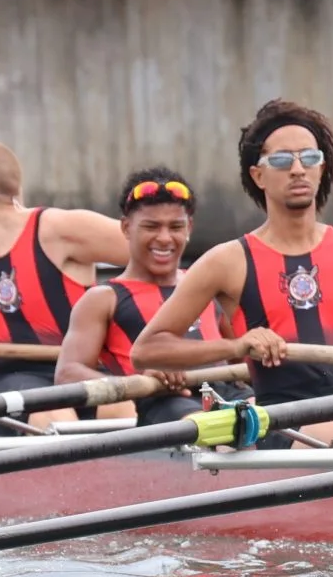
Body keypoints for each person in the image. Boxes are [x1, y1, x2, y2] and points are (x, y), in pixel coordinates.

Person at [136, 99, 333, 446]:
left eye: (309, 158)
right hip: (281, 412)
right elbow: (146, 350)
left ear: (322, 168)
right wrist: (237, 344)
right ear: (258, 175)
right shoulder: (227, 260)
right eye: (282, 160)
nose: (298, 169)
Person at [0, 139, 129, 420]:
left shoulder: (58, 230)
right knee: (55, 413)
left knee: (122, 409)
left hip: (86, 368)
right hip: (15, 380)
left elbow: (156, 253)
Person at [55, 168, 224, 425]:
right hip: (159, 402)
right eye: (151, 226)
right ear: (126, 227)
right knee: (215, 429)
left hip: (227, 393)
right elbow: (67, 374)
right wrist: (135, 382)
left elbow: (241, 355)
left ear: (188, 227)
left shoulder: (208, 285)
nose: (165, 238)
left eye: (175, 226)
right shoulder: (103, 299)